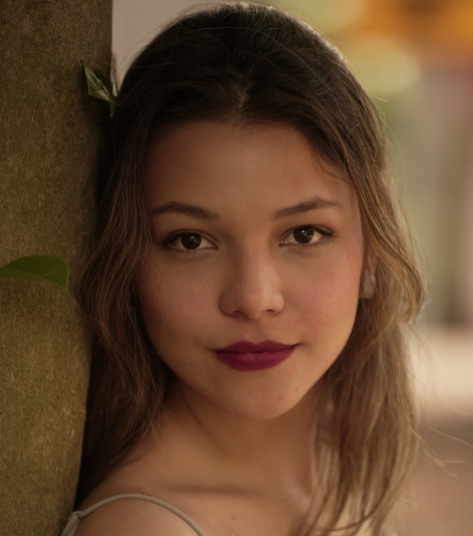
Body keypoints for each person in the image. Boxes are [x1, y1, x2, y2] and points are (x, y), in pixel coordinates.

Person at [63, 3, 424, 535]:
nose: (254, 298)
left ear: (373, 249)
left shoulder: (335, 483)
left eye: (304, 234)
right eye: (191, 241)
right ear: (128, 268)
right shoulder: (144, 527)